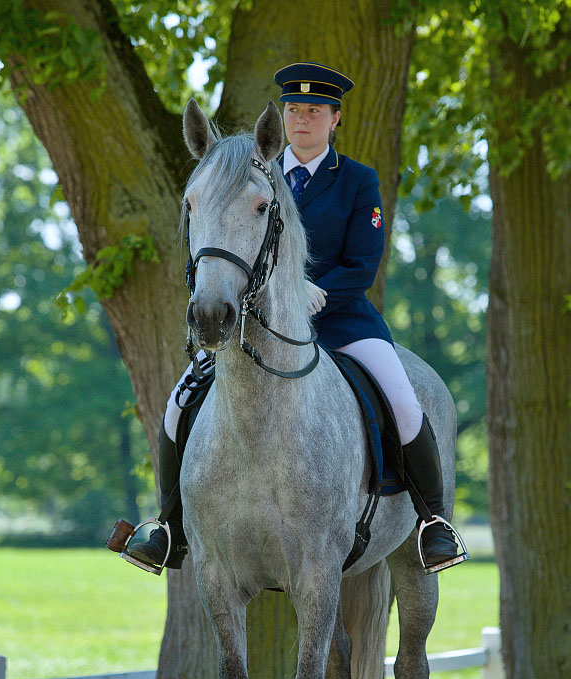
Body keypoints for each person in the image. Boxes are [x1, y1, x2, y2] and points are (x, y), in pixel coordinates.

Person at [129, 61, 466, 575]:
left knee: (403, 399)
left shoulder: (356, 181)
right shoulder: (249, 176)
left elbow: (363, 264)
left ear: (335, 119)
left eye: (314, 111)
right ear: (281, 119)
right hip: (259, 326)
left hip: (343, 321)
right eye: (293, 110)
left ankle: (433, 524)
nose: (302, 119)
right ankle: (170, 528)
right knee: (179, 403)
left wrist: (318, 291)